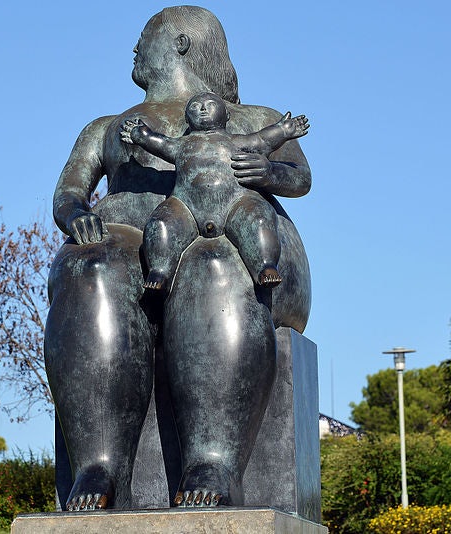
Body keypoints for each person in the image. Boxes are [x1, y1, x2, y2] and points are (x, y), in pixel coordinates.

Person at [44, 6, 311, 511]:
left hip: (241, 231)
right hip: (129, 239)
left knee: (212, 261)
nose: (135, 49)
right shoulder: (107, 127)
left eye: (144, 37)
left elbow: (300, 177)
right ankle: (99, 466)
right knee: (92, 268)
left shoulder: (256, 118)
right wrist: (77, 213)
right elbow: (69, 191)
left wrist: (268, 170)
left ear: (182, 44)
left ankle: (214, 459)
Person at [120, 91, 309, 290]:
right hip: (186, 205)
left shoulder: (237, 141)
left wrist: (283, 130)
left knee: (259, 219)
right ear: (186, 118)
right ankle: (160, 270)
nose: (202, 109)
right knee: (160, 224)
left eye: (210, 104)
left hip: (236, 201)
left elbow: (262, 139)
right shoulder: (182, 144)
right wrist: (142, 135)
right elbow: (161, 143)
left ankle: (265, 265)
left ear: (226, 115)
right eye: (194, 106)